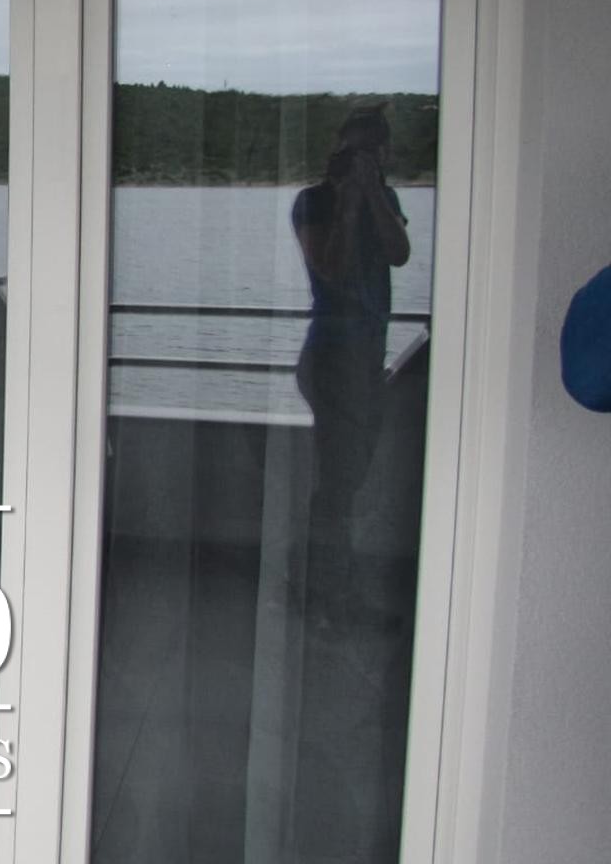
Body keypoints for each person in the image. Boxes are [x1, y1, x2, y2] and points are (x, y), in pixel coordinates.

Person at [289, 103, 415, 862]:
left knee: (351, 480)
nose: (371, 159)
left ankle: (327, 589)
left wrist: (374, 198)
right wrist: (347, 200)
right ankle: (324, 597)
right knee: (336, 483)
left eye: (379, 151)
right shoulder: (312, 202)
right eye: (361, 149)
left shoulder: (382, 199)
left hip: (364, 362)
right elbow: (331, 268)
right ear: (340, 150)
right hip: (333, 361)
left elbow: (398, 254)